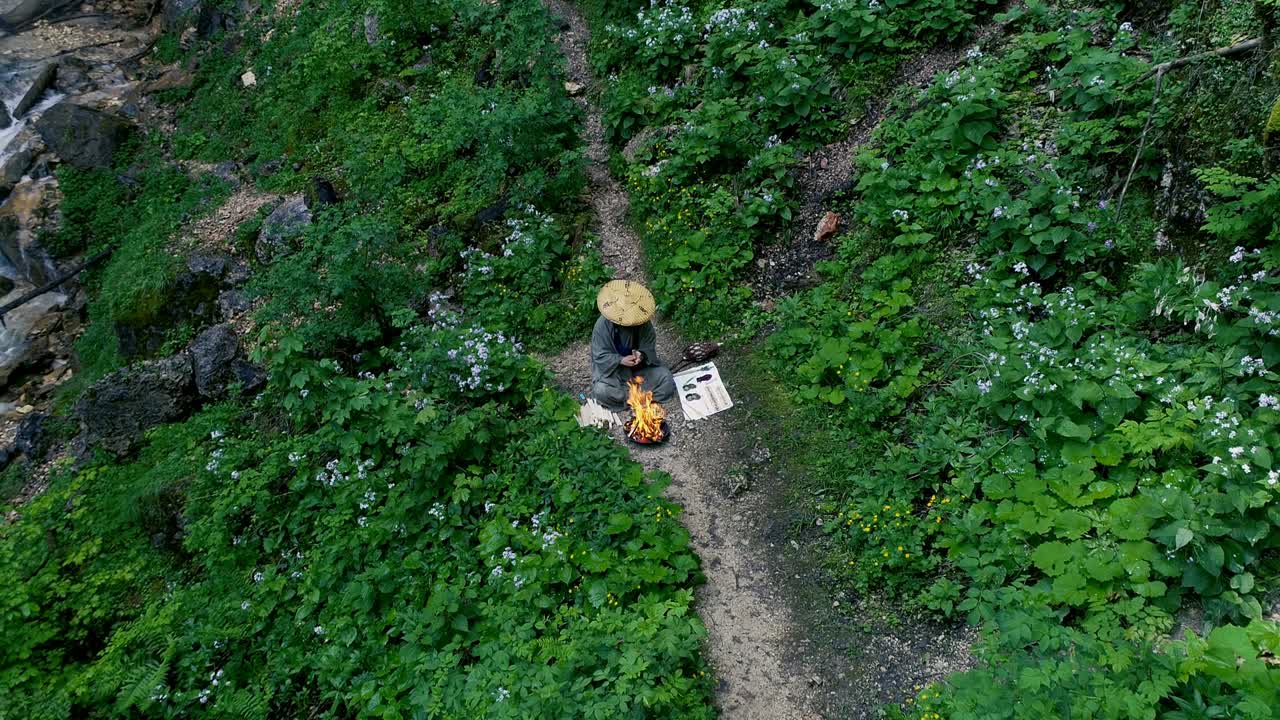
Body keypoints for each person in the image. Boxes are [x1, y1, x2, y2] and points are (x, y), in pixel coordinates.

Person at [591, 280, 676, 409]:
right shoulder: (602, 326)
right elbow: (600, 356)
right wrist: (620, 360)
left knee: (666, 378)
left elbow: (648, 347)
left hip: (638, 372)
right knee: (601, 390)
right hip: (615, 375)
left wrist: (641, 354)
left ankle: (635, 399)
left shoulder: (642, 322)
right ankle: (639, 399)